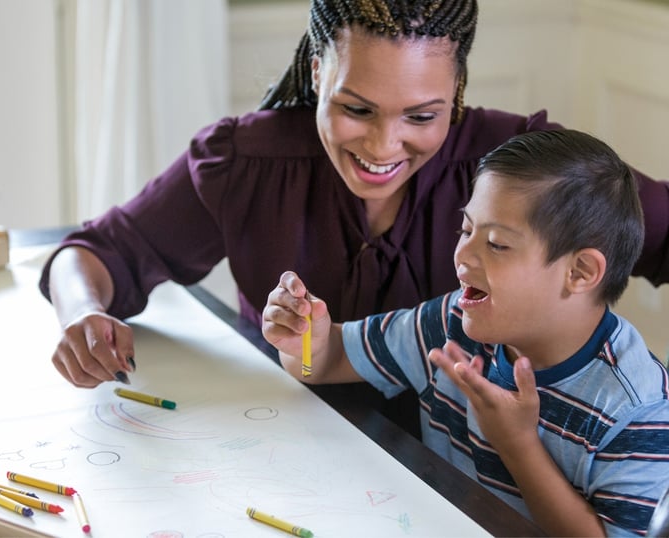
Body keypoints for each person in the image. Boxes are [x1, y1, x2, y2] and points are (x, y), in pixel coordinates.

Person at [39, 0, 669, 403]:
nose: (382, 146)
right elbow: (98, 251)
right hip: (286, 443)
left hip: (476, 478)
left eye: (421, 115)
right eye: (356, 109)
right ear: (318, 73)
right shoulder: (246, 161)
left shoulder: (523, 169)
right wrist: (82, 313)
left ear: (457, 88)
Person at [261, 129, 669, 537]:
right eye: (466, 230)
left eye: (496, 244)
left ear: (579, 272)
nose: (463, 255)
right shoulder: (453, 322)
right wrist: (306, 340)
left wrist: (517, 445)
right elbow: (329, 360)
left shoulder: (639, 412)